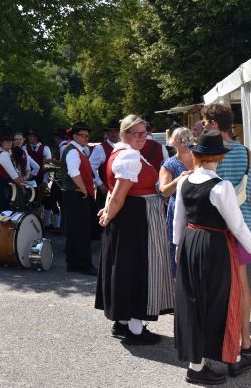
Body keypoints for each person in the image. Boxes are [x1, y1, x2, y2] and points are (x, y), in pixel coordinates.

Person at [173, 130, 251, 385]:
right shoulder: (221, 186)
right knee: (222, 302)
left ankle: (201, 364)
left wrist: (178, 247)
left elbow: (178, 220)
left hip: (190, 242)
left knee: (194, 302)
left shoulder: (184, 182)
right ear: (220, 156)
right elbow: (237, 226)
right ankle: (229, 360)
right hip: (214, 246)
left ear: (197, 155)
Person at [96, 115, 174, 345]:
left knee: (126, 267)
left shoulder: (121, 152)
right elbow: (119, 193)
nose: (141, 137)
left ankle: (122, 322)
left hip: (131, 216)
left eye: (144, 133)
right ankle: (135, 330)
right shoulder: (129, 156)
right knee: (140, 269)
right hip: (137, 218)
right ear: (123, 134)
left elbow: (114, 192)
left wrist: (108, 211)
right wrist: (108, 215)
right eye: (136, 133)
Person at [202, 103, 251, 353]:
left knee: (214, 286)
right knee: (242, 286)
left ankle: (217, 340)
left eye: (206, 122)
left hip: (213, 228)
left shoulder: (207, 153)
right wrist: (247, 223)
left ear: (215, 124)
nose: (203, 126)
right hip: (240, 229)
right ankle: (244, 340)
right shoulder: (245, 152)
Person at [62, 122, 97, 275]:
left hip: (74, 195)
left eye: (87, 136)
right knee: (82, 231)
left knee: (74, 230)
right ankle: (84, 265)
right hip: (76, 195)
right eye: (83, 135)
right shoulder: (72, 151)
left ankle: (73, 263)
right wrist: (83, 188)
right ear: (75, 136)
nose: (86, 138)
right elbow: (73, 172)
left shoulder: (77, 150)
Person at [159, 127, 193, 277]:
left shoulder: (200, 159)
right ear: (173, 142)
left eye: (189, 138)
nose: (186, 142)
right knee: (178, 249)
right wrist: (178, 179)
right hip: (179, 211)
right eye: (181, 140)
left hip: (198, 210)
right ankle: (179, 282)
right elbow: (164, 191)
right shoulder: (169, 164)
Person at [0, 133, 26, 211]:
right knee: (6, 211)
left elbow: (15, 172)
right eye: (6, 141)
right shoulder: (4, 154)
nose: (9, 143)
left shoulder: (8, 154)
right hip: (6, 186)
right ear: (1, 143)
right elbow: (13, 175)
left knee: (9, 210)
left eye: (10, 141)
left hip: (9, 185)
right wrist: (23, 188)